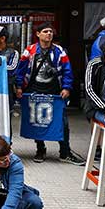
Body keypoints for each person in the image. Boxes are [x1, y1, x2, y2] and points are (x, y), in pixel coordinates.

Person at [16, 22, 84, 165]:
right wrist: (19, 86)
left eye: (51, 32)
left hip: (54, 91)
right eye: (45, 31)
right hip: (34, 89)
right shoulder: (29, 51)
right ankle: (40, 149)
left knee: (62, 122)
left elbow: (67, 70)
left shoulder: (59, 51)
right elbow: (21, 70)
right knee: (37, 121)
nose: (49, 34)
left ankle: (64, 152)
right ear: (38, 34)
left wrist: (66, 87)